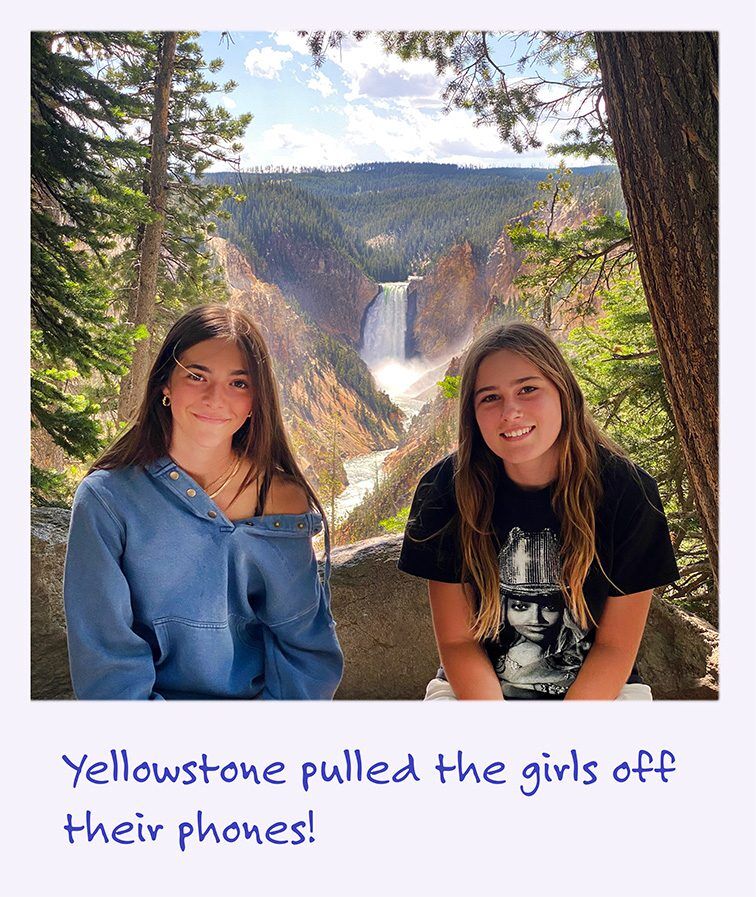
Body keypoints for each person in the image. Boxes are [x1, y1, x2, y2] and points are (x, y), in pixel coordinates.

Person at [63, 304, 343, 700]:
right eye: (197, 376)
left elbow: (306, 651)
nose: (216, 398)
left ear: (255, 401)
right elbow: (108, 667)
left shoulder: (282, 499)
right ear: (165, 383)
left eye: (239, 383)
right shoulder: (107, 500)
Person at [398, 322, 679, 701]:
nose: (510, 411)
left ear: (564, 393)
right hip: (471, 691)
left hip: (605, 693)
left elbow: (614, 648)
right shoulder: (446, 489)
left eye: (528, 389)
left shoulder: (627, 492)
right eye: (489, 398)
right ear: (472, 414)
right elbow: (459, 642)